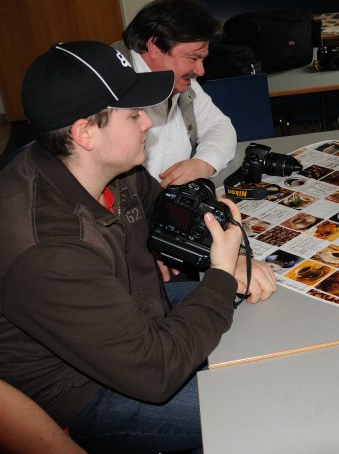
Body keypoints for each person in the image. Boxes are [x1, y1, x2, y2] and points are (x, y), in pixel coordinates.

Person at [0, 41, 277, 452]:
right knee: (263, 402)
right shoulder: (49, 250)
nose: (148, 123)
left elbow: (160, 209)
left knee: (272, 311)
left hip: (136, 311)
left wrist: (227, 254)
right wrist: (220, 275)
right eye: (133, 115)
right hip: (85, 391)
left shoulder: (108, 167)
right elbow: (156, 372)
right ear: (84, 133)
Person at [113, 0, 236, 187]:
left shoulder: (179, 79)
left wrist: (202, 163)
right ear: (154, 47)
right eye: (193, 58)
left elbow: (219, 126)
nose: (200, 71)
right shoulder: (110, 88)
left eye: (202, 59)